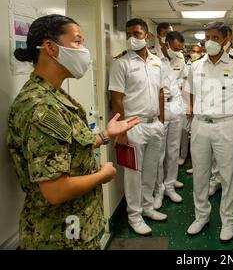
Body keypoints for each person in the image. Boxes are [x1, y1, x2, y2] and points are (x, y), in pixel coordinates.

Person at [7, 14, 140, 249]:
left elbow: (68, 145)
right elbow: (56, 191)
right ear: (50, 47)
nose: (84, 50)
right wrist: (103, 175)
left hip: (75, 225)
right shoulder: (42, 108)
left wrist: (105, 135)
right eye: (77, 41)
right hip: (58, 235)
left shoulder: (54, 95)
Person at [185, 21, 233, 242]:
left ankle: (228, 220)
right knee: (200, 175)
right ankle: (201, 216)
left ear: (225, 40)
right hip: (200, 124)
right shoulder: (195, 66)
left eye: (214, 37)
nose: (209, 42)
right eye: (207, 37)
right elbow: (190, 94)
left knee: (228, 175)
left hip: (226, 125)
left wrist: (229, 115)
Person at [109, 18, 167, 236]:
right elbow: (117, 98)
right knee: (133, 173)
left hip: (154, 125)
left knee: (151, 169)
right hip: (133, 125)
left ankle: (148, 207)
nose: (132, 38)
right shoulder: (121, 63)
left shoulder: (156, 62)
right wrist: (122, 130)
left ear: (147, 36)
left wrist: (161, 120)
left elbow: (161, 92)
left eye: (137, 33)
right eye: (129, 34)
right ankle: (134, 216)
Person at [153, 31, 187, 209]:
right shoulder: (154, 60)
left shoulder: (180, 59)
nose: (178, 51)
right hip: (161, 108)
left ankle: (170, 185)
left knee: (173, 151)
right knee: (159, 153)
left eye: (180, 49)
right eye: (175, 48)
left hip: (177, 108)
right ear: (166, 44)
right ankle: (158, 190)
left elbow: (185, 78)